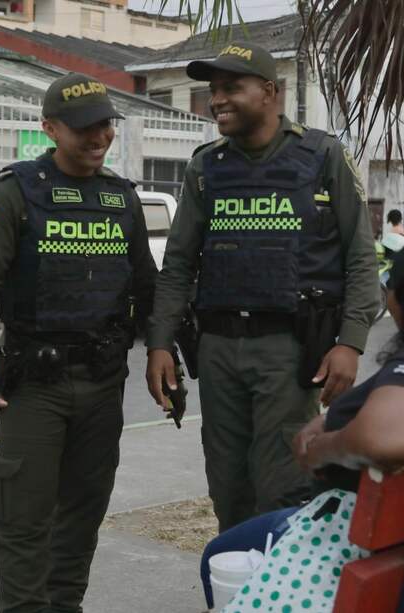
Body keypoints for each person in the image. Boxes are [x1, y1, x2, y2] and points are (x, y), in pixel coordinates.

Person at [203, 226, 404, 611]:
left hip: (368, 542)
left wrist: (324, 450)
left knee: (219, 554)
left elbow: (388, 440)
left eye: (392, 283)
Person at [0, 72, 157, 613]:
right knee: (23, 522)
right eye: (83, 127)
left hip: (104, 384)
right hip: (34, 387)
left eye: (105, 125)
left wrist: (164, 351)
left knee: (82, 517)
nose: (98, 137)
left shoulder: (121, 199)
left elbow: (147, 287)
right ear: (49, 129)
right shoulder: (15, 191)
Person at [145, 41, 380, 531]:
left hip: (290, 350)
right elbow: (179, 263)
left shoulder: (322, 156)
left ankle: (279, 598)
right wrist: (160, 342)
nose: (217, 100)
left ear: (270, 92)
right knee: (227, 486)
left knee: (282, 487)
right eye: (213, 91)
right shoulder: (205, 166)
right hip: (218, 349)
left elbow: (361, 256)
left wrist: (350, 343)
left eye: (232, 88)